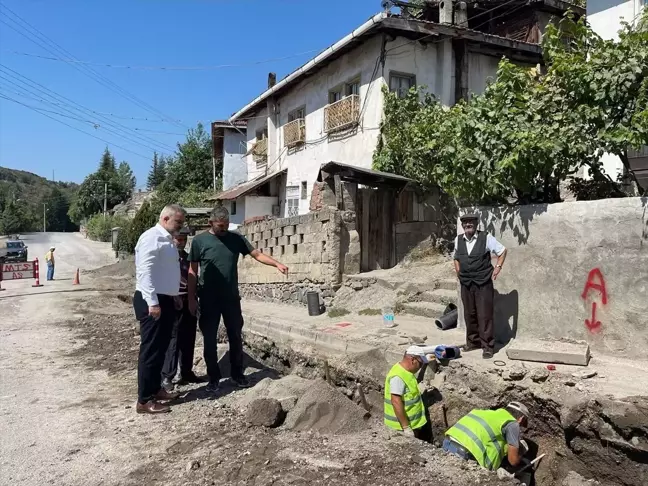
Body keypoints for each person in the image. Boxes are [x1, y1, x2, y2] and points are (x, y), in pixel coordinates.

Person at [187, 206, 288, 393]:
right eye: (220, 226)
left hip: (231, 298)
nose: (223, 229)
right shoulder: (199, 241)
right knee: (209, 339)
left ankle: (237, 374)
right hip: (208, 298)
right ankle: (214, 378)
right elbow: (193, 270)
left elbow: (256, 254)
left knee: (235, 336)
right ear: (211, 223)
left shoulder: (236, 239)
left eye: (225, 225)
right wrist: (191, 298)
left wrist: (277, 264)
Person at [132, 204, 186, 414]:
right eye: (178, 222)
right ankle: (144, 400)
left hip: (165, 299)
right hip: (151, 301)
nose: (180, 226)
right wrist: (153, 302)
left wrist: (174, 297)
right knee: (151, 351)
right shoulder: (151, 237)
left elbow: (166, 272)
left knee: (161, 349)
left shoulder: (166, 239)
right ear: (165, 219)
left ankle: (156, 389)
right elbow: (145, 272)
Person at [453, 213, 507, 359]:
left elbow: (502, 251)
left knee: (484, 315)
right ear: (462, 225)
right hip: (466, 282)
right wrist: (458, 271)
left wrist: (498, 267)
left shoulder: (486, 238)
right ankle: (473, 342)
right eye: (465, 222)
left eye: (471, 222)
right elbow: (456, 257)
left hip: (483, 282)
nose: (468, 224)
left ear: (476, 224)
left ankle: (488, 346)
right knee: (469, 313)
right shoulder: (458, 240)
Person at [161, 226, 205, 392]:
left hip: (188, 301)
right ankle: (167, 376)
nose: (181, 242)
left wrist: (193, 299)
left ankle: (186, 371)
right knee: (173, 339)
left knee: (188, 337)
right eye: (178, 239)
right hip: (173, 302)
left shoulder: (188, 259)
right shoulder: (167, 259)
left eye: (184, 239)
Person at [443, 402, 530, 471]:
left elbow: (490, 439)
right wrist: (520, 454)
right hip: (467, 455)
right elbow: (513, 461)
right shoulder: (513, 424)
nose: (520, 427)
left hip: (447, 443)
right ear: (521, 419)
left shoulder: (483, 412)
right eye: (522, 424)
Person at [384, 346, 434, 442]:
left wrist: (426, 360)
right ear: (412, 360)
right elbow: (395, 401)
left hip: (413, 425)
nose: (420, 366)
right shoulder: (398, 377)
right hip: (400, 429)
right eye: (420, 363)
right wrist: (406, 427)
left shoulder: (405, 370)